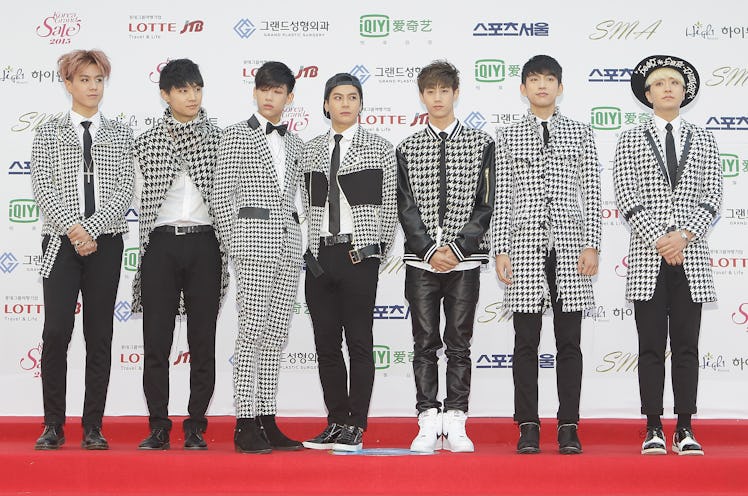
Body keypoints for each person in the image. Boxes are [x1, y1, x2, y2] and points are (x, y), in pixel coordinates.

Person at [493, 55, 602, 455]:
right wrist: (500, 249)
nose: (542, 85)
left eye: (550, 79)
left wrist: (592, 243)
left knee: (569, 342)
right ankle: (528, 426)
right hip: (524, 247)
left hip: (571, 248)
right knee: (526, 342)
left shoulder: (580, 132)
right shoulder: (507, 135)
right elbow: (502, 195)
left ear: (560, 87)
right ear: (523, 88)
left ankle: (569, 425)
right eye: (534, 79)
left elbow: (592, 193)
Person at [614, 55, 722, 456]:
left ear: (685, 91)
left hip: (691, 258)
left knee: (687, 347)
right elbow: (626, 196)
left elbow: (713, 196)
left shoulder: (705, 138)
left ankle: (686, 427)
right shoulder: (630, 139)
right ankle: (653, 427)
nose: (668, 88)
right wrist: (662, 240)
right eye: (659, 83)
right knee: (651, 347)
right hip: (648, 258)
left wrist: (685, 236)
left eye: (674, 82)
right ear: (648, 94)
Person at [30, 49, 134, 450]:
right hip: (60, 242)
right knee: (56, 331)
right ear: (68, 83)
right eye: (85, 79)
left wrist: (90, 229)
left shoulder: (119, 133)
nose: (93, 87)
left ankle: (93, 426)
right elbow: (43, 189)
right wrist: (75, 230)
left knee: (99, 334)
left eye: (99, 80)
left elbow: (123, 190)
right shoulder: (49, 131)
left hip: (106, 243)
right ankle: (52, 424)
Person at [397, 60, 494, 453]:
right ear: (422, 96)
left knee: (459, 342)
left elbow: (486, 204)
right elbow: (405, 206)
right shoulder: (407, 147)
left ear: (456, 93)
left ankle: (455, 418)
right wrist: (427, 249)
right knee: (424, 341)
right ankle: (427, 418)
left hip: (464, 262)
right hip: (421, 261)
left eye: (444, 90)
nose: (437, 98)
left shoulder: (482, 144)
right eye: (430, 91)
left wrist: (456, 249)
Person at [131, 59, 227, 450]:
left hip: (205, 244)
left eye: (197, 89)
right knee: (156, 341)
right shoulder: (146, 142)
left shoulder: (221, 140)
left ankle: (196, 426)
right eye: (183, 90)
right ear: (165, 95)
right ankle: (158, 426)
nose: (192, 97)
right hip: (161, 244)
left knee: (203, 341)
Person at [300, 73, 397, 452]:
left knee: (359, 342)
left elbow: (390, 208)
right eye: (337, 97)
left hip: (359, 256)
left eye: (352, 97)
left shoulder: (380, 148)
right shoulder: (309, 150)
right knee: (326, 344)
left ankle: (356, 425)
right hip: (320, 257)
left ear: (361, 104)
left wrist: (375, 252)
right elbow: (302, 204)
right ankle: (336, 421)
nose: (345, 103)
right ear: (326, 104)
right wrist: (308, 252)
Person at [213, 61, 304, 454]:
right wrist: (237, 246)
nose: (270, 97)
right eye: (264, 89)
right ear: (254, 92)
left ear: (289, 97)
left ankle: (267, 418)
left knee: (276, 336)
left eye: (277, 91)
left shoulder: (296, 143)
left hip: (289, 248)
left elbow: (297, 200)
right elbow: (221, 197)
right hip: (252, 247)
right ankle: (244, 421)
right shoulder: (235, 136)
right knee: (251, 332)